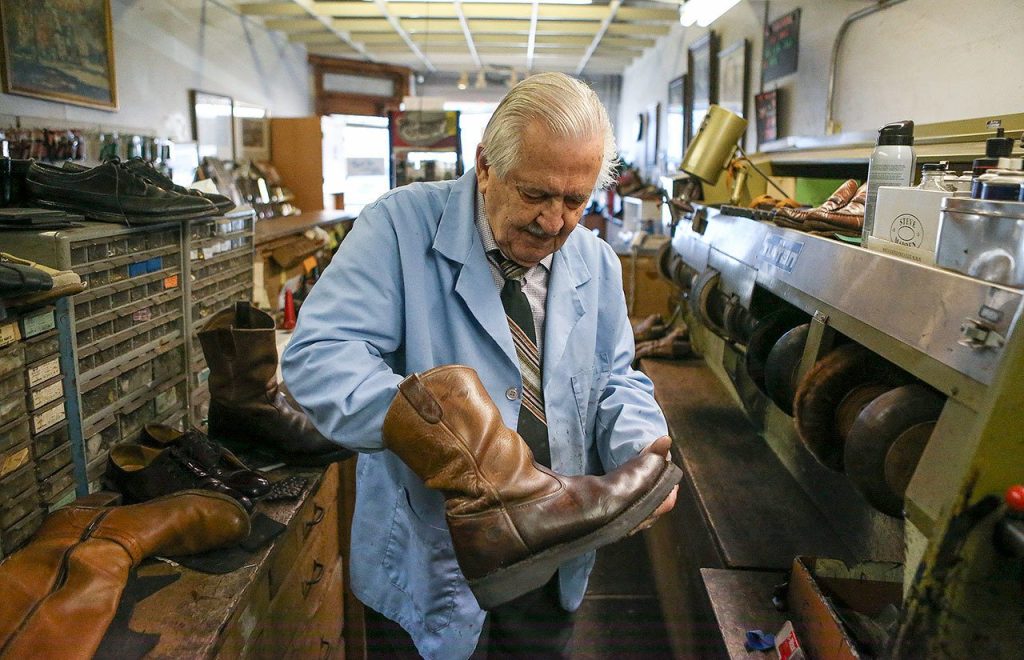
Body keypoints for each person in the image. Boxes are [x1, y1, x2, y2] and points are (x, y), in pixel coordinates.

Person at [281, 71, 678, 659]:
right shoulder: (397, 227)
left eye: (575, 201)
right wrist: (453, 439)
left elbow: (616, 377)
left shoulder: (594, 259)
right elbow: (319, 357)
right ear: (486, 164)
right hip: (429, 553)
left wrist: (638, 450)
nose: (554, 223)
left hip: (552, 554)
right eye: (536, 195)